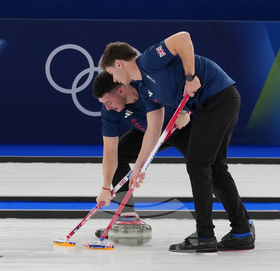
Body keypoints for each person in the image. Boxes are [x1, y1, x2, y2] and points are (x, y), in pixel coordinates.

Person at [100, 34, 255, 252]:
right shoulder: (146, 89)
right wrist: (138, 168)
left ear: (119, 64)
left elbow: (183, 38)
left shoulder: (148, 60)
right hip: (217, 102)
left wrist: (191, 76)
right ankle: (242, 231)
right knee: (214, 167)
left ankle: (205, 236)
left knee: (198, 165)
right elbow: (153, 130)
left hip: (218, 97)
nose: (114, 79)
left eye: (111, 73)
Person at [91, 71, 190, 233]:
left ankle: (228, 226)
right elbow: (110, 151)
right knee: (120, 154)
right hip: (148, 132)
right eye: (104, 103)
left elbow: (182, 81)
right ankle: (127, 216)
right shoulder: (109, 110)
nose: (107, 107)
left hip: (180, 129)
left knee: (203, 167)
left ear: (121, 91)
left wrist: (184, 110)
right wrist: (106, 187)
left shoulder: (147, 84)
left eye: (108, 102)